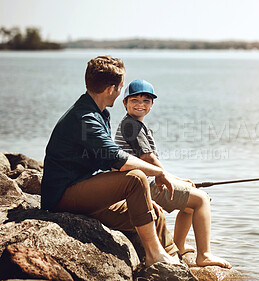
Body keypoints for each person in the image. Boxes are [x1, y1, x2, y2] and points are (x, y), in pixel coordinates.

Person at [41, 56, 180, 266]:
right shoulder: (85, 118)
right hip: (63, 197)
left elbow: (108, 162)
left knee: (154, 214)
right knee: (136, 178)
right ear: (110, 89)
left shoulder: (101, 114)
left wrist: (140, 200)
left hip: (85, 189)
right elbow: (119, 159)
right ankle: (154, 255)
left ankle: (176, 264)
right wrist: (159, 172)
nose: (120, 90)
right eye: (121, 86)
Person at [114, 79, 232, 268]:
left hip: (144, 181)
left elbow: (150, 162)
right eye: (135, 100)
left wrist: (174, 178)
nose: (140, 105)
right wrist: (169, 178)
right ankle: (204, 255)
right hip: (141, 186)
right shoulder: (131, 126)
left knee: (190, 206)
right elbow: (148, 158)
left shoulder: (133, 124)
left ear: (152, 105)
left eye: (146, 101)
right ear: (125, 103)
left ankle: (179, 246)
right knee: (201, 200)